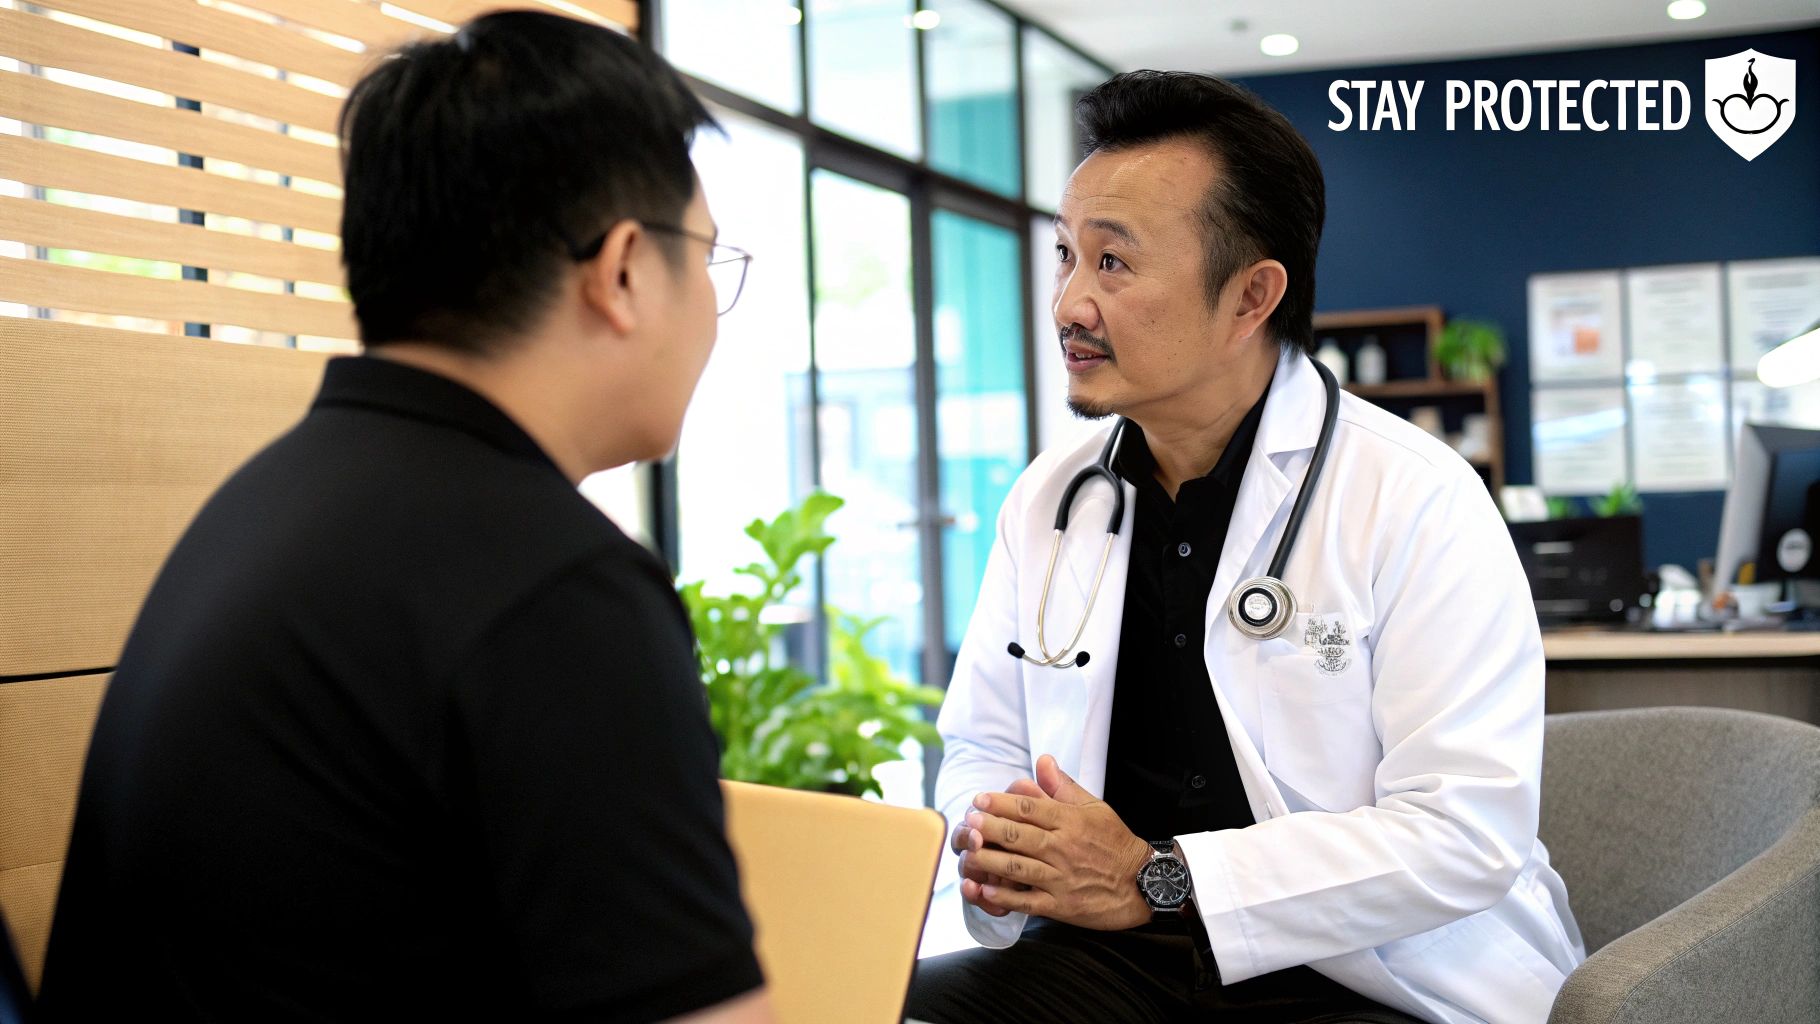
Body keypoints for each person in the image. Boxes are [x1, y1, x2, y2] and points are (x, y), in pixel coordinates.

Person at [37, 12, 770, 1022]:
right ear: (624, 270)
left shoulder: (266, 506)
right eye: (707, 259)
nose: (709, 309)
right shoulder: (555, 593)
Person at [904, 71, 1584, 1024]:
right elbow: (983, 741)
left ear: (1252, 296)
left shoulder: (1414, 497)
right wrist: (1007, 844)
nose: (1068, 303)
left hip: (1370, 970)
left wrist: (1159, 877)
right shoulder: (1052, 501)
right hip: (1111, 960)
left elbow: (1462, 832)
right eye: (1065, 256)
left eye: (1113, 264)